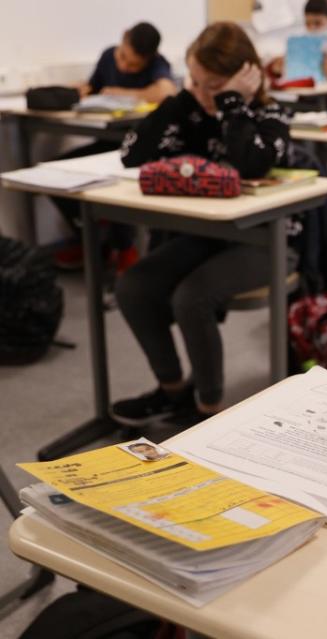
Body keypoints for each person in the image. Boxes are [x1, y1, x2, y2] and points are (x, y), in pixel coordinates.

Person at [111, 22, 296, 427]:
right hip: (208, 234)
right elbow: (132, 155)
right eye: (193, 80)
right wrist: (180, 100)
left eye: (211, 84)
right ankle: (173, 390)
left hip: (271, 239)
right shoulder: (188, 106)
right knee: (134, 287)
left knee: (191, 298)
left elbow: (252, 163)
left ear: (245, 77)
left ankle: (208, 410)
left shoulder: (271, 114)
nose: (200, 92)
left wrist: (234, 105)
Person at [53, 22, 177, 271]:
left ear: (149, 59)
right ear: (123, 40)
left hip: (139, 147)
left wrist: (120, 92)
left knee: (118, 184)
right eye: (122, 58)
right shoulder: (108, 56)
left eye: (132, 66)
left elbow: (166, 92)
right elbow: (93, 88)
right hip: (107, 141)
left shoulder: (158, 63)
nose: (123, 66)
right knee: (58, 175)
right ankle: (96, 243)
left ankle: (124, 247)